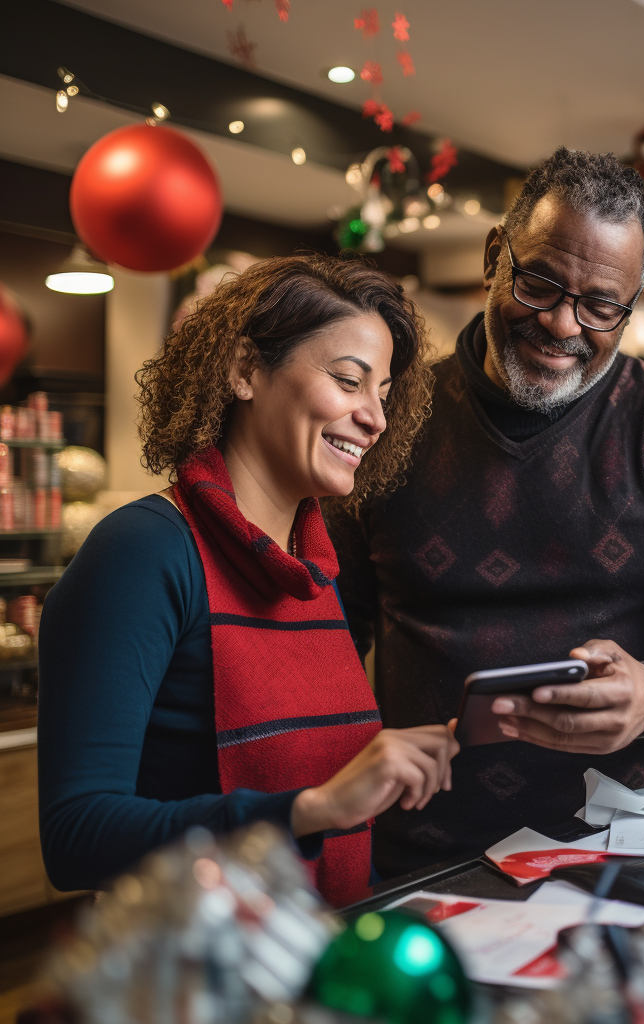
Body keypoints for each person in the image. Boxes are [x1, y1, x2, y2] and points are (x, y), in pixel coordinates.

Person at [331, 148, 644, 878]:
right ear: (492, 259)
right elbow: (325, 640)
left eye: (601, 305)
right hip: (418, 856)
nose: (564, 326)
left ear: (635, 300)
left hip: (625, 855)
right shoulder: (384, 418)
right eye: (540, 283)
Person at [37, 254, 459, 906]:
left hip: (322, 964)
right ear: (243, 370)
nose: (374, 416)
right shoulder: (144, 551)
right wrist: (311, 809)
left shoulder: (313, 569)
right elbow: (76, 836)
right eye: (349, 381)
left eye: (384, 393)